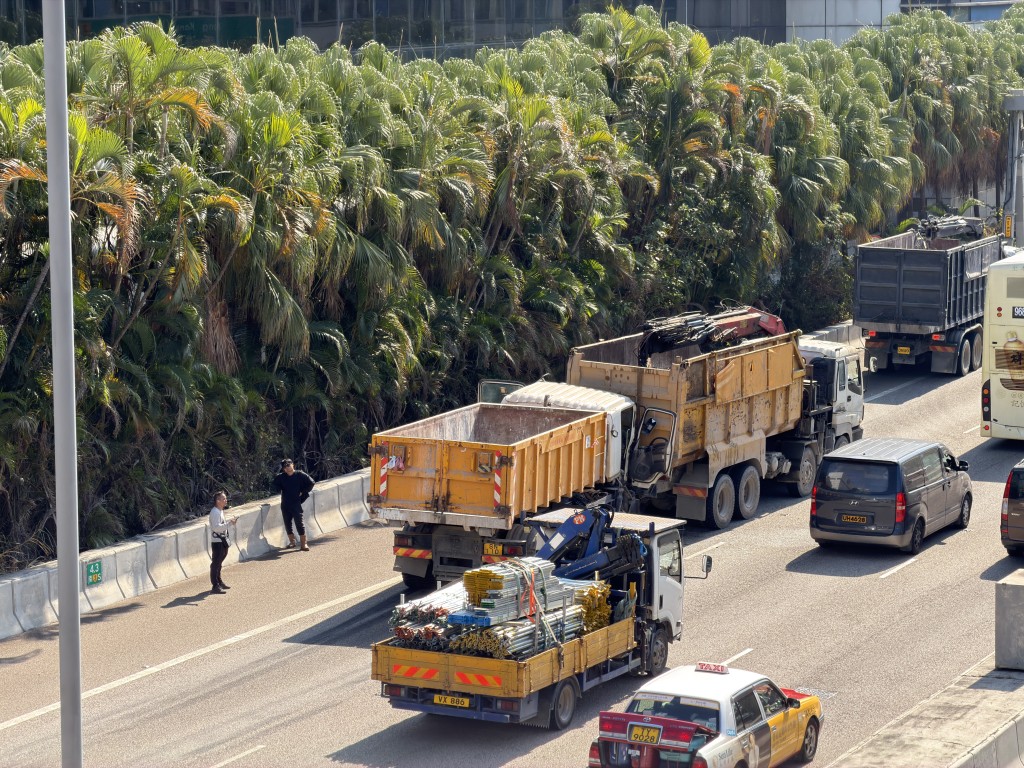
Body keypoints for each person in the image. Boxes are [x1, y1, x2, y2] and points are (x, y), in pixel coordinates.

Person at [272, 458, 315, 551]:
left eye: (288, 465)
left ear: (293, 465)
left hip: (296, 503)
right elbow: (274, 485)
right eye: (285, 467)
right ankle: (292, 542)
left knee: (299, 522)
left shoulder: (300, 474)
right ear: (283, 469)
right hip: (285, 503)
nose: (287, 467)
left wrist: (303, 492)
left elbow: (311, 482)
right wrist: (279, 488)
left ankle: (304, 544)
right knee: (287, 523)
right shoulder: (281, 477)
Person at [208, 491, 236, 594]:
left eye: (225, 498)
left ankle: (219, 582)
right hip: (217, 541)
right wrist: (229, 524)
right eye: (223, 499)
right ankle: (215, 585)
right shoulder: (215, 512)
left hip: (222, 540)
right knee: (216, 563)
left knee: (219, 562)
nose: (226, 500)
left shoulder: (220, 511)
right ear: (217, 501)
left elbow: (221, 525)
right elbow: (216, 527)